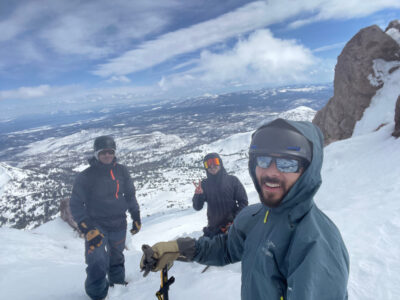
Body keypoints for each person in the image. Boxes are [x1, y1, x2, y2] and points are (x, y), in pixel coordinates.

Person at [140, 118, 350, 300]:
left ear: (307, 169)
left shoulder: (316, 244)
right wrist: (177, 248)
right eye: (264, 160)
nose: (271, 173)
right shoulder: (255, 217)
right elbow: (225, 248)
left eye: (287, 163)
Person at [70, 135, 141, 300]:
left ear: (114, 152)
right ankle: (98, 294)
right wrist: (87, 227)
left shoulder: (122, 170)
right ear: (96, 154)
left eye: (110, 152)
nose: (107, 155)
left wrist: (136, 215)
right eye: (103, 152)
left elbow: (130, 195)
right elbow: (76, 204)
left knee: (117, 256)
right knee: (96, 260)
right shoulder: (86, 176)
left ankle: (117, 286)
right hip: (96, 225)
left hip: (119, 222)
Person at [192, 153, 248, 237]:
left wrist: (235, 219)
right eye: (208, 164)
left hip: (233, 226)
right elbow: (197, 207)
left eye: (215, 162)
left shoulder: (232, 180)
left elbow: (243, 201)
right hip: (214, 229)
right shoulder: (204, 184)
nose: (212, 166)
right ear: (206, 167)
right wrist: (198, 195)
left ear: (220, 163)